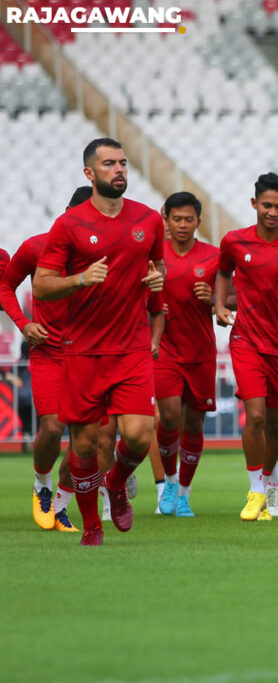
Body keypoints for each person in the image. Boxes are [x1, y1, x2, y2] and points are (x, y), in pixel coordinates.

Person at [33, 138, 166, 546]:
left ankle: (118, 482)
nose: (119, 169)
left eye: (123, 162)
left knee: (141, 435)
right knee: (86, 445)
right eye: (109, 164)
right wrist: (79, 279)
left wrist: (157, 281)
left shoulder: (148, 220)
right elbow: (41, 286)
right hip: (82, 350)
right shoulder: (68, 225)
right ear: (90, 173)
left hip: (130, 347)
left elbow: (157, 265)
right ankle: (92, 526)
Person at [215, 173, 278, 522]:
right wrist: (219, 305)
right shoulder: (234, 241)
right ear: (254, 204)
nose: (274, 212)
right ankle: (256, 489)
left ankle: (272, 478)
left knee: (275, 423)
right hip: (246, 339)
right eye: (268, 205)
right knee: (256, 414)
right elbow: (223, 273)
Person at [0, 186, 94, 533]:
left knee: (89, 440)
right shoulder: (37, 247)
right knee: (53, 428)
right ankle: (42, 484)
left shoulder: (105, 254)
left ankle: (61, 505)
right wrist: (24, 325)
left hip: (91, 355)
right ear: (67, 212)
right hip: (50, 353)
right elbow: (5, 286)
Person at [153, 192, 219, 518]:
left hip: (201, 352)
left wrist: (214, 298)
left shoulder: (213, 257)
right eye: (176, 218)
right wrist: (149, 305)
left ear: (198, 221)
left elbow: (229, 299)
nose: (182, 225)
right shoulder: (153, 257)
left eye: (188, 219)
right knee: (167, 416)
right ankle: (167, 480)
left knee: (194, 424)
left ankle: (183, 494)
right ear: (166, 219)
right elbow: (130, 295)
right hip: (164, 349)